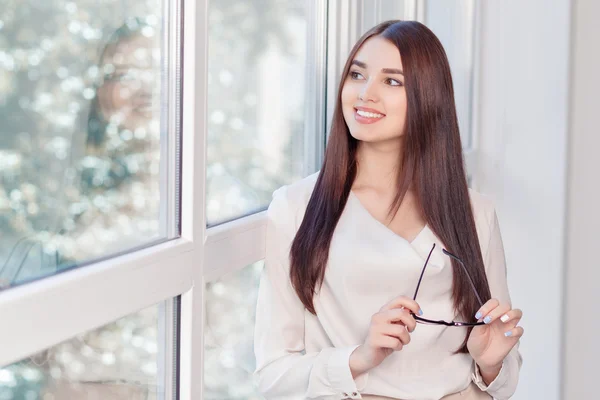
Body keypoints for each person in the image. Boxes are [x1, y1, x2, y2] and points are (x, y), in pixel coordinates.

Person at [253, 20, 523, 400]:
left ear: (429, 97)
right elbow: (273, 376)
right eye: (357, 74)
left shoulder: (474, 212)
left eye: (392, 81)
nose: (365, 94)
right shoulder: (296, 207)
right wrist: (359, 358)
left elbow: (505, 374)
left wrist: (491, 363)